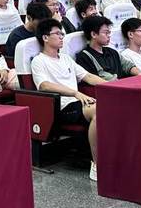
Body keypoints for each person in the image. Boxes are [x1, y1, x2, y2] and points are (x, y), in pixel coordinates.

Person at [31, 18, 104, 181]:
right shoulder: (38, 60)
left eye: (62, 34)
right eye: (57, 33)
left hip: (78, 103)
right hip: (61, 106)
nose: (61, 37)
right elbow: (44, 85)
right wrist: (74, 93)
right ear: (45, 37)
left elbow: (88, 76)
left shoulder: (65, 58)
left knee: (109, 107)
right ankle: (97, 165)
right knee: (98, 111)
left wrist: (113, 86)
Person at [76, 15, 140, 81]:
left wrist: (139, 74)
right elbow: (101, 76)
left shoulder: (112, 52)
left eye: (109, 33)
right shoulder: (84, 57)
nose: (109, 36)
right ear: (93, 34)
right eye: (106, 33)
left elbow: (128, 65)